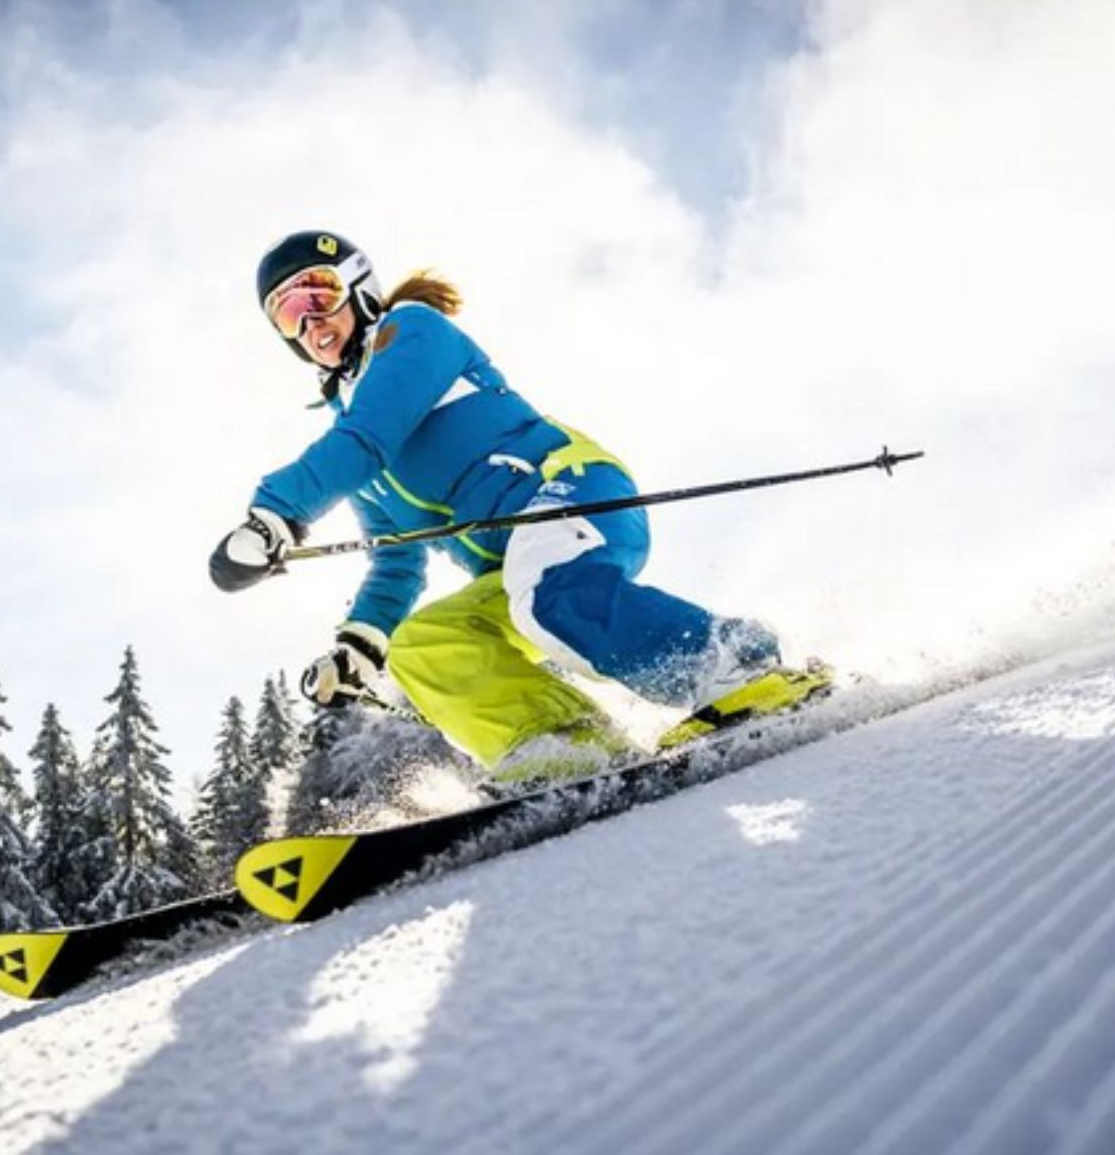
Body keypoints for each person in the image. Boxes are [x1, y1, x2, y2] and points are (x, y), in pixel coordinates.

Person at [210, 229, 829, 785]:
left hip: (575, 493)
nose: (310, 319)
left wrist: (275, 514)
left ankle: (742, 669)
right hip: (522, 566)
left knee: (547, 591)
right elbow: (395, 564)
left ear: (360, 286)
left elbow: (366, 439)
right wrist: (359, 645)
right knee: (427, 643)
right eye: (288, 313)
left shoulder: (411, 332)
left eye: (317, 292)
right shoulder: (359, 445)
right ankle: (562, 741)